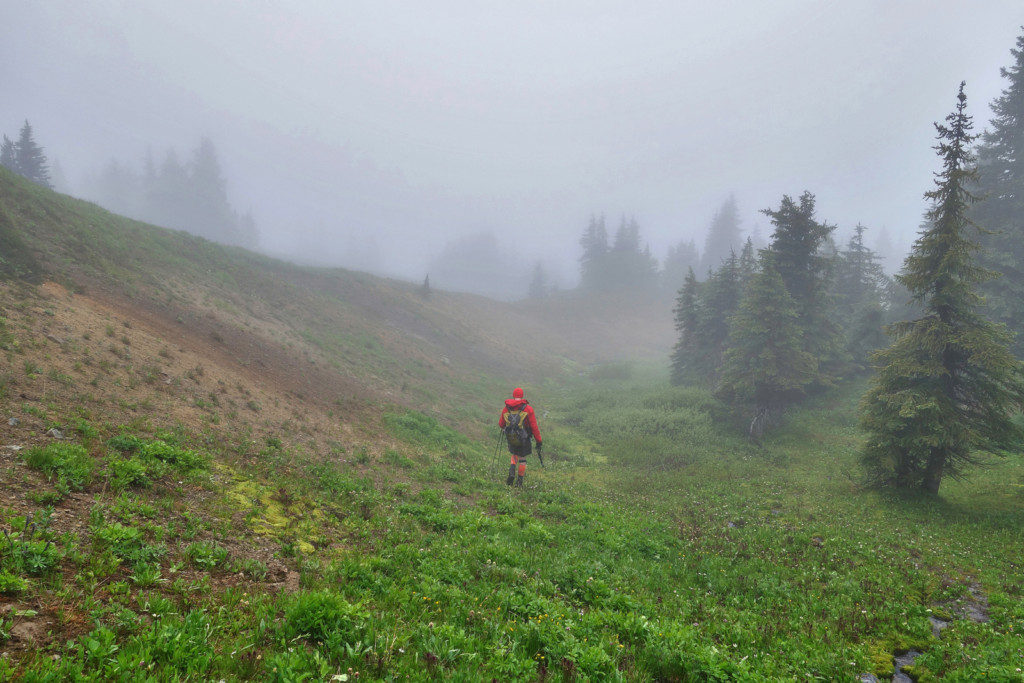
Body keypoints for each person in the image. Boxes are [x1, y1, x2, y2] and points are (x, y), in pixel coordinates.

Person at [498, 387, 542, 487]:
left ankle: (512, 470)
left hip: (511, 436)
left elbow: (501, 424)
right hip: (524, 437)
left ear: (514, 395)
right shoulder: (528, 409)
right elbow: (534, 426)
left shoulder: (506, 408)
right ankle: (519, 482)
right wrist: (538, 440)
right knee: (522, 458)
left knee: (514, 454)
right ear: (522, 395)